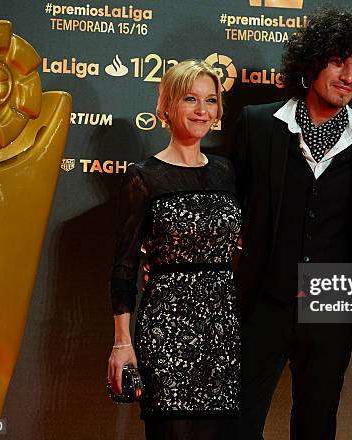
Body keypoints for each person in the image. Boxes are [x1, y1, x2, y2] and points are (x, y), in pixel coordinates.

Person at [231, 6, 352, 439]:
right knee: (238, 423)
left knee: (316, 427)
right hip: (264, 300)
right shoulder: (260, 124)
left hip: (333, 308)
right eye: (338, 61)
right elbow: (232, 208)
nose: (348, 76)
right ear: (312, 60)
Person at [107, 59, 241, 440]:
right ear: (167, 106)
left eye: (211, 100)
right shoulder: (144, 176)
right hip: (167, 331)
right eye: (190, 99)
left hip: (221, 332)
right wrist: (122, 343)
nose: (202, 110)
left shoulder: (225, 171)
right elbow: (124, 266)